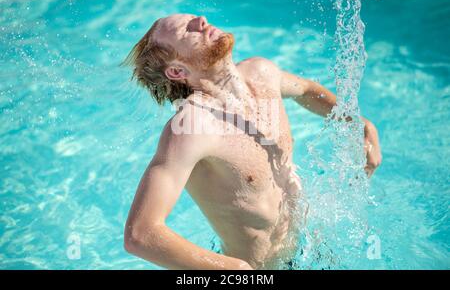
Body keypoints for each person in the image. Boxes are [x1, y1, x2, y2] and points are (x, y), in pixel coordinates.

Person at [122, 14, 382, 270]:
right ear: (178, 71)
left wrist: (358, 124)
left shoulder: (262, 72)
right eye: (186, 30)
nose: (200, 20)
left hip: (310, 249)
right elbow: (141, 234)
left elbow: (305, 90)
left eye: (193, 18)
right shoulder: (191, 127)